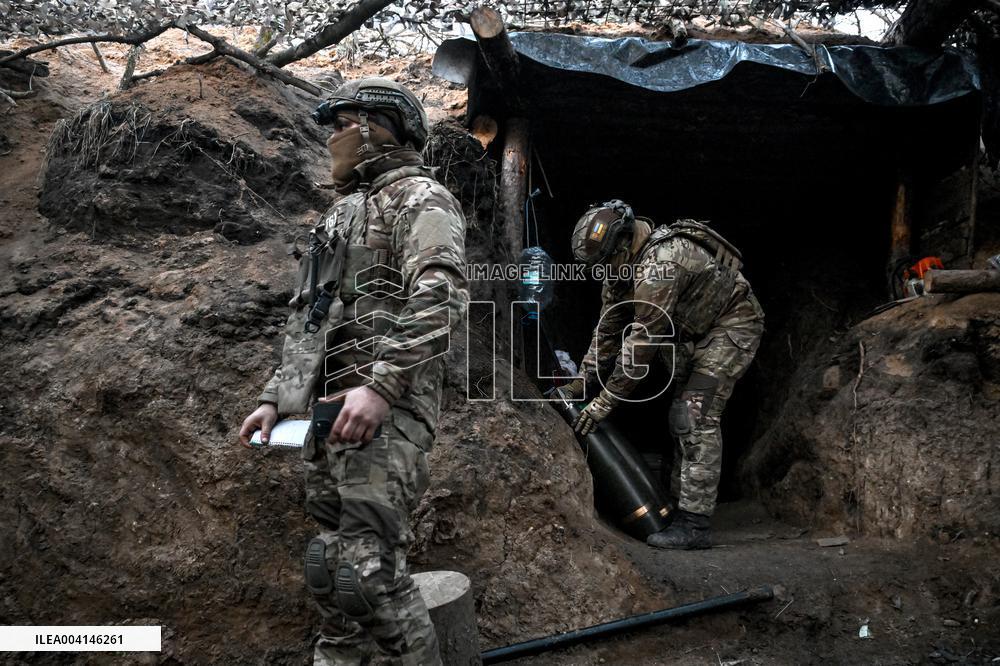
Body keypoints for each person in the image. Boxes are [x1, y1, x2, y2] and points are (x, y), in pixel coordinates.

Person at [238, 77, 468, 665]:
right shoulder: (339, 214)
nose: (333, 138)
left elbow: (441, 296)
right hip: (323, 418)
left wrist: (382, 388)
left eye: (343, 125)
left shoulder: (423, 199)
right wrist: (277, 397)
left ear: (378, 127)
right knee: (331, 575)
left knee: (371, 575)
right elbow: (309, 318)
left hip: (384, 417)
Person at [562, 200, 763, 550]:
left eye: (605, 263)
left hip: (730, 327)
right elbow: (608, 330)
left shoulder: (661, 265)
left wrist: (603, 403)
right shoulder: (621, 267)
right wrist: (583, 380)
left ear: (622, 245)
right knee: (679, 419)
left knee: (694, 417)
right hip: (689, 335)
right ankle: (675, 507)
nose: (603, 272)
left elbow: (642, 343)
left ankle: (695, 525)